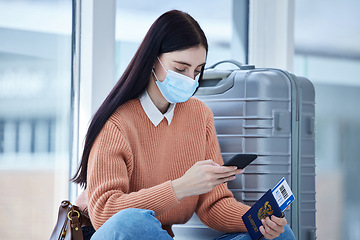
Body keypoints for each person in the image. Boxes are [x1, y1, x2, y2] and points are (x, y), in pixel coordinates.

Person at [72, 10, 295, 240]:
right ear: (152, 60)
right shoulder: (116, 124)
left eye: (197, 71)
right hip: (117, 234)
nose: (190, 79)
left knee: (279, 235)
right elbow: (105, 214)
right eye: (180, 69)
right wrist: (180, 187)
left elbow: (214, 205)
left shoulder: (200, 116)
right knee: (133, 221)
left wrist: (258, 220)